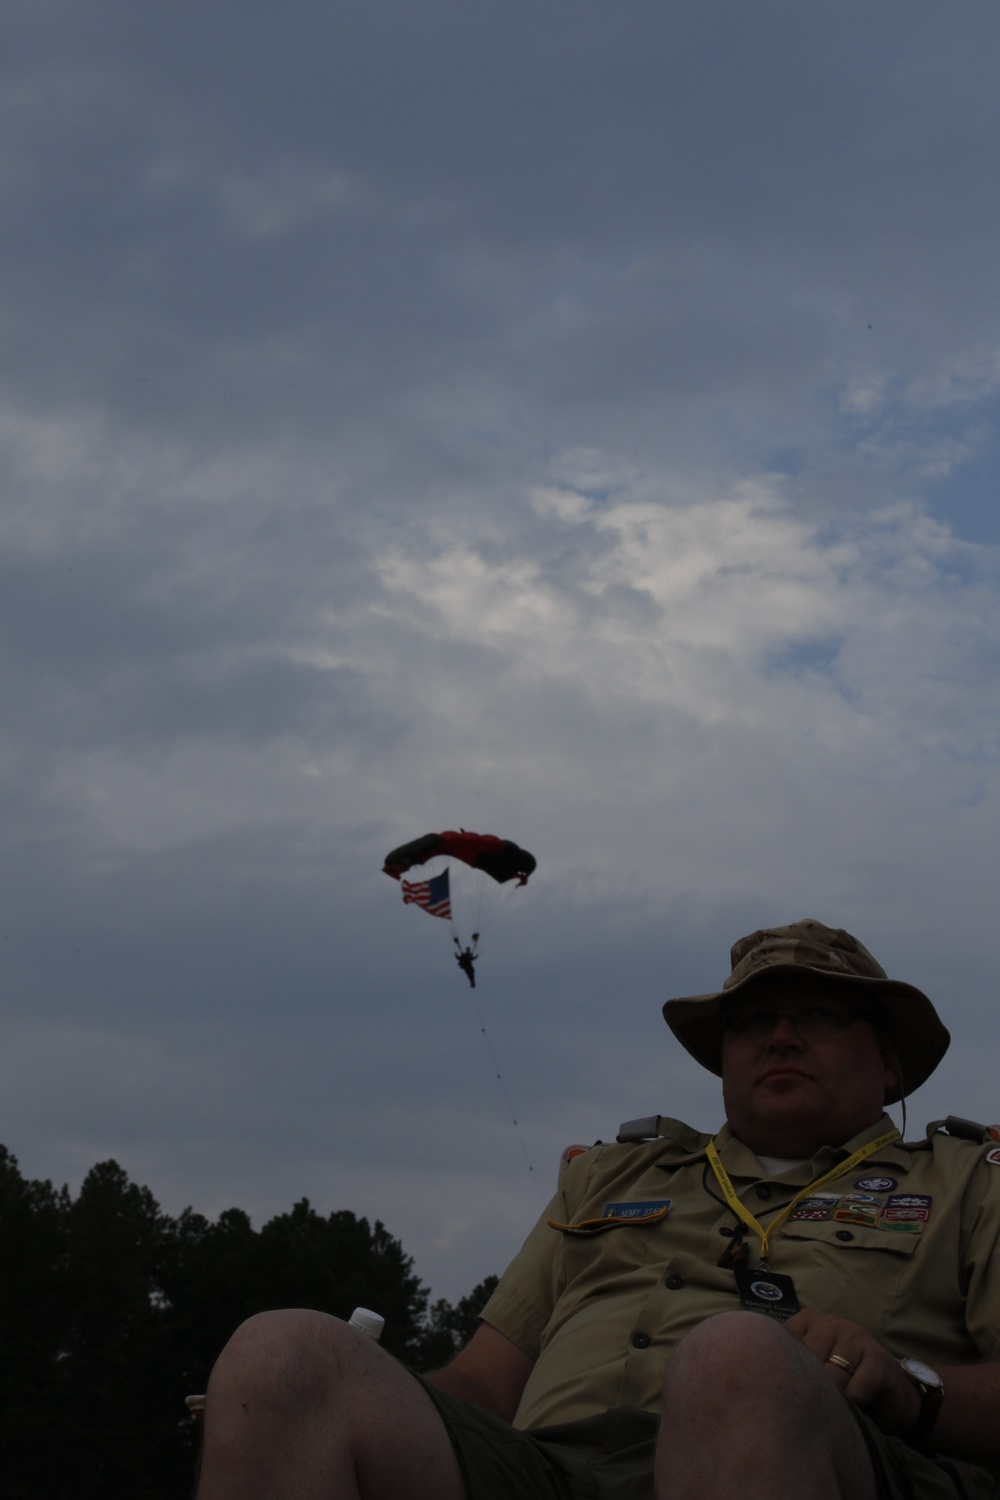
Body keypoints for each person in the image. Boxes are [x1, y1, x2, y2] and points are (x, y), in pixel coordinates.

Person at [194, 919, 1000, 1500]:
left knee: (736, 1362)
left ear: (891, 1062)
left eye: (820, 1015)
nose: (780, 1036)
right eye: (753, 1022)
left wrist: (910, 1384)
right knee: (284, 1355)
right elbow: (482, 1382)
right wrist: (330, 1400)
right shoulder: (611, 1175)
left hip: (835, 1459)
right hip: (546, 1472)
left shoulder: (970, 1180)